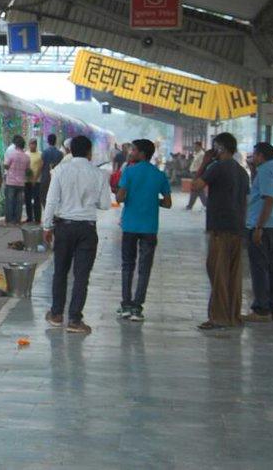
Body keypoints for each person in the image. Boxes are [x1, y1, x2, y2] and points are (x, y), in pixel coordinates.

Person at [42, 134, 111, 334]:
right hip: (87, 229)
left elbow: (52, 200)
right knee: (81, 275)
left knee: (60, 271)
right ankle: (74, 319)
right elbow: (105, 204)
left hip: (64, 227)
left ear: (70, 151)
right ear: (89, 153)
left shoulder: (61, 170)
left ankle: (56, 315)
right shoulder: (98, 174)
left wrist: (47, 226)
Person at [192, 132, 248, 330]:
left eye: (215, 147)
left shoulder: (217, 167)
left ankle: (218, 317)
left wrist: (205, 163)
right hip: (237, 227)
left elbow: (195, 186)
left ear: (220, 148)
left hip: (220, 228)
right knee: (233, 274)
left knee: (217, 272)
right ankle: (233, 315)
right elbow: (245, 200)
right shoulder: (241, 171)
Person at [115, 139, 172, 322]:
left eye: (133, 150)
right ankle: (137, 308)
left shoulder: (129, 171)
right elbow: (168, 203)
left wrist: (123, 193)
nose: (131, 152)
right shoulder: (159, 174)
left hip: (130, 226)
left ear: (141, 153)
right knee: (144, 268)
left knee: (127, 265)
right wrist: (153, 200)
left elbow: (121, 197)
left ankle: (125, 304)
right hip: (149, 228)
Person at [245, 142, 273, 322]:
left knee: (259, 268)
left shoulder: (264, 171)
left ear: (260, 156)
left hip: (264, 227)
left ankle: (261, 309)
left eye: (255, 155)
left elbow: (268, 199)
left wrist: (259, 227)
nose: (253, 158)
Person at [2, 135, 28, 225]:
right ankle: (17, 220)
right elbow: (27, 169)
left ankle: (9, 221)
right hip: (21, 182)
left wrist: (10, 167)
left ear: (16, 145)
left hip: (11, 181)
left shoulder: (11, 154)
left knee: (10, 201)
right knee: (19, 203)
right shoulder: (26, 156)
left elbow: (5, 165)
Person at [38, 133, 63, 208]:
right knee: (55, 196)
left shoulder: (44, 153)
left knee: (44, 196)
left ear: (48, 141)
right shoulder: (60, 154)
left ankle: (46, 210)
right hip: (57, 178)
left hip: (45, 178)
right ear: (55, 141)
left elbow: (41, 165)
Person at [24, 138, 43, 224]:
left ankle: (37, 218)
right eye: (31, 144)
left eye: (34, 144)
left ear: (36, 145)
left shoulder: (40, 154)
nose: (32, 145)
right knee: (27, 200)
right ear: (29, 145)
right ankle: (29, 217)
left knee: (37, 200)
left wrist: (35, 178)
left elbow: (41, 167)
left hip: (37, 181)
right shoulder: (25, 154)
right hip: (27, 181)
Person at [185, 141, 207, 210]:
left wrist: (198, 175)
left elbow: (201, 166)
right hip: (194, 173)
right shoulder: (197, 154)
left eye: (195, 146)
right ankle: (190, 205)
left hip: (197, 173)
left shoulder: (201, 154)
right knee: (196, 190)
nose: (194, 148)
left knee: (198, 190)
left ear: (199, 146)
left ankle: (191, 205)